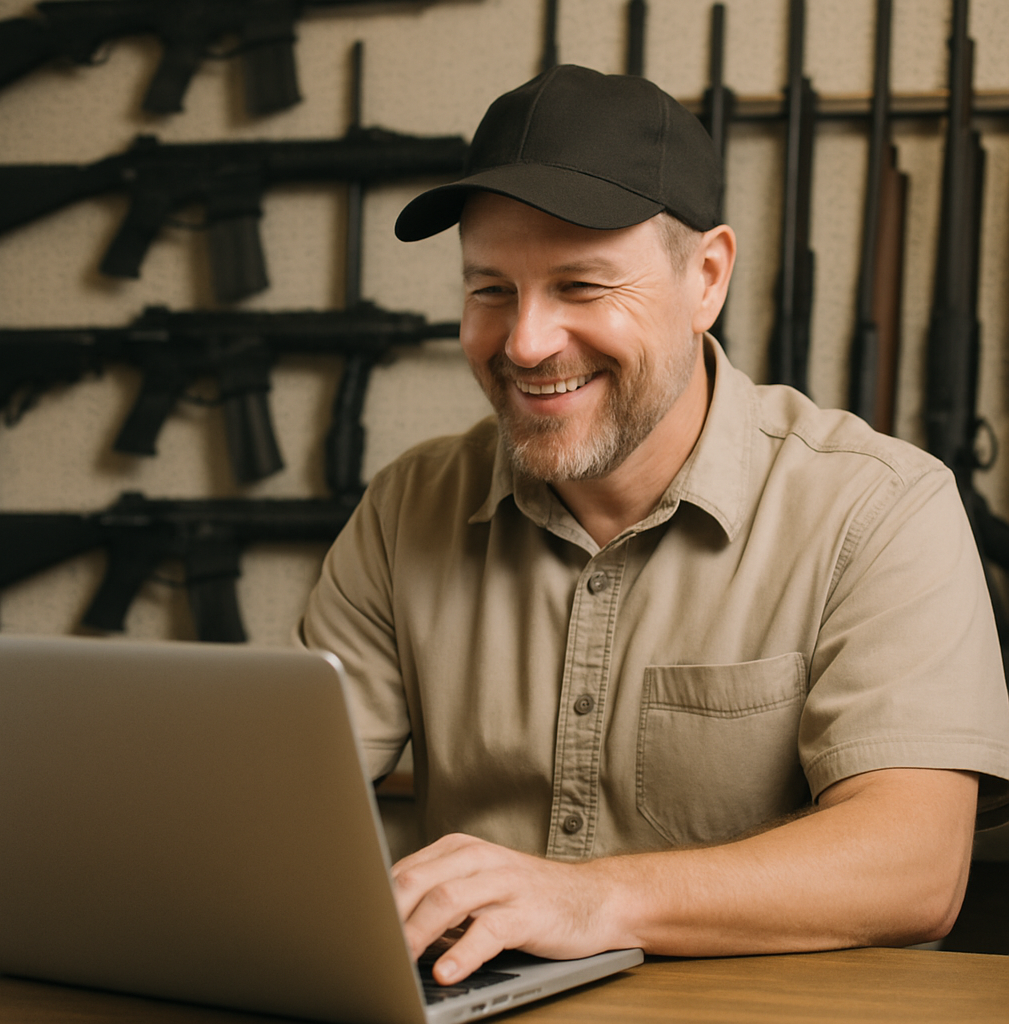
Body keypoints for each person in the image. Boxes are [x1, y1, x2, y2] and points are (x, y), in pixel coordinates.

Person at [299, 65, 1009, 984]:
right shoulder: (408, 506)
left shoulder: (881, 507)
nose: (525, 342)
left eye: (582, 287)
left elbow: (914, 870)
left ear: (706, 277)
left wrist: (589, 898)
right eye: (490, 291)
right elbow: (277, 810)